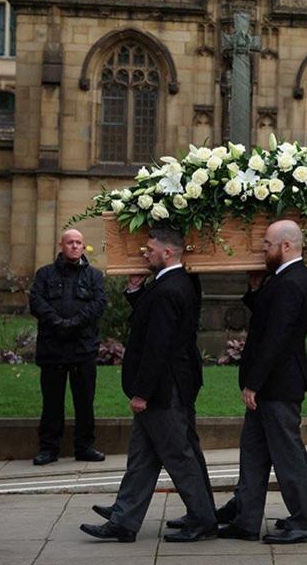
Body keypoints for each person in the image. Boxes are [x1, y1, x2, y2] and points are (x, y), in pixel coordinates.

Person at [81, 226, 216, 543]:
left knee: (179, 457)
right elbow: (155, 320)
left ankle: (203, 519)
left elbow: (159, 345)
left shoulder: (170, 288)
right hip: (169, 385)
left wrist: (143, 392)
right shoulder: (176, 282)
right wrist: (135, 292)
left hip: (163, 389)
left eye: (150, 249)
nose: (145, 252)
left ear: (168, 253)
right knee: (142, 457)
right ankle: (124, 520)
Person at [217, 220, 307, 544]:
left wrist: (254, 384)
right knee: (253, 454)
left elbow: (276, 338)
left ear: (286, 246)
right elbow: (268, 315)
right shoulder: (285, 277)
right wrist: (255, 290)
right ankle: (247, 519)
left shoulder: (291, 281)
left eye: (267, 244)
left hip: (277, 385)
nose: (263, 249)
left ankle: (304, 521)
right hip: (271, 385)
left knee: (286, 457)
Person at [28, 229, 107, 466]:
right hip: (53, 348)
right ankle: (49, 448)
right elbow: (36, 302)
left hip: (83, 348)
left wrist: (72, 324)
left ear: (84, 247)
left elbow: (98, 304)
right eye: (70, 242)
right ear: (61, 245)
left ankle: (84, 447)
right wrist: (58, 323)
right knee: (52, 401)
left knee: (84, 401)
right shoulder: (44, 274)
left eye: (78, 242)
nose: (74, 246)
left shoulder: (94, 276)